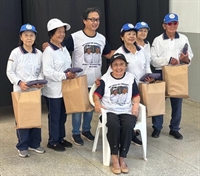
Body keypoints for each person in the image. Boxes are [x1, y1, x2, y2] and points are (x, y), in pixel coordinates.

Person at [62, 7, 115, 146]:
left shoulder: (101, 38)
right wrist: (48, 45)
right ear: (84, 21)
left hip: (95, 78)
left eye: (97, 19)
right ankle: (75, 132)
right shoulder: (75, 37)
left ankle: (86, 130)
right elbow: (61, 50)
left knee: (91, 106)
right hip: (79, 79)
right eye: (92, 19)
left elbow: (109, 54)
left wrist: (126, 49)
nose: (95, 22)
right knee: (78, 107)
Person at [93, 53, 140, 174]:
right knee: (113, 125)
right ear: (111, 66)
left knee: (128, 125)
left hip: (126, 110)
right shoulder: (105, 78)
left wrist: (135, 106)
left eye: (122, 64)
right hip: (109, 110)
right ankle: (114, 157)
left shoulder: (130, 78)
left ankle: (122, 157)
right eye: (115, 65)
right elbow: (96, 95)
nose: (119, 67)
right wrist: (97, 104)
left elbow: (136, 95)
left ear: (126, 65)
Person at [150, 13, 193, 139]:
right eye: (169, 23)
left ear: (177, 24)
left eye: (175, 23)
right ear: (164, 25)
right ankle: (157, 128)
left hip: (177, 73)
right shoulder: (158, 40)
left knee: (177, 102)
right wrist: (168, 60)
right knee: (158, 101)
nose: (172, 26)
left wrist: (186, 59)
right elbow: (153, 59)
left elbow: (190, 56)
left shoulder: (184, 38)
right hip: (161, 73)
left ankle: (174, 128)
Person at [110, 23, 153, 146]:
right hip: (127, 89)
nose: (132, 36)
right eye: (128, 34)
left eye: (134, 34)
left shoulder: (142, 50)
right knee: (130, 112)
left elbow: (147, 67)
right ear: (122, 37)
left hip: (143, 86)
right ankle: (130, 134)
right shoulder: (119, 53)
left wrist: (150, 76)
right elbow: (112, 72)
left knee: (141, 111)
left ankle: (134, 132)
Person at [6, 24, 45, 157]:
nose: (29, 38)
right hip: (20, 91)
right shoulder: (15, 52)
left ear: (35, 37)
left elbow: (41, 71)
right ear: (21, 37)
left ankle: (35, 144)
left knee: (35, 117)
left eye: (31, 35)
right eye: (26, 35)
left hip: (34, 91)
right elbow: (9, 71)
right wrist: (19, 82)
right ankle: (22, 145)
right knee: (22, 119)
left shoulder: (39, 53)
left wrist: (39, 81)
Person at [42, 18, 76, 151]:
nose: (62, 34)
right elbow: (48, 72)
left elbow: (68, 65)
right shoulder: (48, 51)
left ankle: (61, 137)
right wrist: (64, 75)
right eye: (59, 32)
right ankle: (53, 141)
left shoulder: (64, 48)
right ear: (51, 34)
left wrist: (72, 72)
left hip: (65, 89)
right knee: (55, 116)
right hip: (53, 90)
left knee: (63, 115)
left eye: (63, 32)